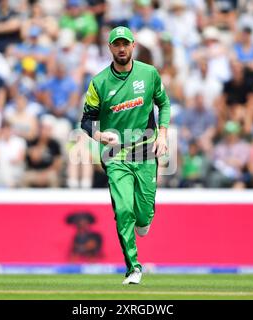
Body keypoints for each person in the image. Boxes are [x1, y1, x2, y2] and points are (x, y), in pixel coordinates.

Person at [80, 26, 170, 285]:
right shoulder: (99, 82)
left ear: (133, 46)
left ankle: (146, 215)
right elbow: (87, 121)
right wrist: (100, 136)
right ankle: (133, 268)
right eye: (116, 44)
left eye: (125, 44)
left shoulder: (149, 73)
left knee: (142, 217)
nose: (121, 48)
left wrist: (162, 134)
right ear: (110, 48)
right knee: (123, 210)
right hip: (114, 154)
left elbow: (163, 103)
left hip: (144, 150)